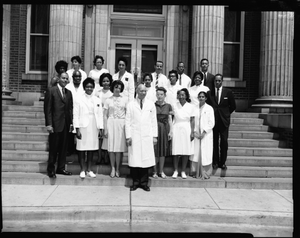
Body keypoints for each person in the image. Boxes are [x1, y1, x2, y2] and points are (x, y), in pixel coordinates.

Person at [125, 83, 158, 192]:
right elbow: (128, 121)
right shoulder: (130, 104)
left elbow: (154, 121)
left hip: (146, 135)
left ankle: (144, 183)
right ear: (137, 91)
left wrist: (154, 136)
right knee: (135, 160)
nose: (143, 93)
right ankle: (135, 182)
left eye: (145, 91)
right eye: (141, 91)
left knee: (145, 160)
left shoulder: (151, 104)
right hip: (134, 135)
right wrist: (128, 136)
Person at [44, 72, 73, 178]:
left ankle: (61, 168)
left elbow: (70, 109)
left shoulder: (69, 93)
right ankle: (51, 169)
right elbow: (48, 109)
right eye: (63, 78)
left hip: (65, 125)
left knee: (63, 148)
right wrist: (49, 124)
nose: (65, 80)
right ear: (59, 79)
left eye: (66, 79)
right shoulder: (51, 91)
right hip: (55, 124)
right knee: (54, 148)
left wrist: (71, 123)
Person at [73, 78, 104, 179]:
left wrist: (101, 128)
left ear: (93, 88)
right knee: (82, 148)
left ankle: (89, 170)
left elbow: (100, 115)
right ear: (84, 87)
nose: (89, 88)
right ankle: (82, 169)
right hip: (83, 125)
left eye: (91, 87)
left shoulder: (97, 100)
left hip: (94, 125)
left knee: (91, 149)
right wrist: (76, 129)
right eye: (87, 86)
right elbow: (76, 114)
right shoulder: (79, 99)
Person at [209, 74, 236, 170]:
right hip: (214, 122)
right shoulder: (210, 93)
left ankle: (223, 162)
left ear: (222, 81)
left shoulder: (228, 92)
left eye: (219, 81)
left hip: (224, 122)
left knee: (224, 142)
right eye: (215, 81)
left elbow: (233, 106)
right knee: (214, 142)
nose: (217, 82)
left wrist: (226, 114)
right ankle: (215, 162)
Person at [103, 80, 127, 178]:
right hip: (111, 123)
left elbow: (127, 114)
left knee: (119, 148)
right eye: (116, 87)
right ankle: (112, 168)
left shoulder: (125, 99)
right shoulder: (108, 100)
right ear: (113, 88)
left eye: (119, 87)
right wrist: (105, 128)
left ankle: (118, 168)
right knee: (111, 148)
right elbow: (105, 115)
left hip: (121, 124)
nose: (118, 89)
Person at [189, 91, 215, 179]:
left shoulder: (209, 108)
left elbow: (211, 123)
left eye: (203, 97)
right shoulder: (194, 108)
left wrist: (203, 133)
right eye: (199, 96)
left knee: (205, 153)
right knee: (196, 153)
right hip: (196, 134)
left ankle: (205, 173)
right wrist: (194, 132)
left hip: (205, 135)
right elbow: (192, 120)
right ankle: (195, 172)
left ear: (206, 98)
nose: (201, 98)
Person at [171, 88, 195, 179]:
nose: (181, 97)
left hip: (186, 128)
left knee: (185, 151)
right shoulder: (174, 105)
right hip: (176, 127)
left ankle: (183, 171)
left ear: (186, 96)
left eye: (183, 95)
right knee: (176, 151)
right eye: (180, 95)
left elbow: (192, 120)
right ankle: (176, 170)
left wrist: (192, 132)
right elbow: (171, 118)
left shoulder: (191, 106)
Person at [153, 87, 173, 179]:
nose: (159, 96)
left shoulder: (168, 106)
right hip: (154, 129)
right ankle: (154, 171)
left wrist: (170, 132)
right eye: (158, 94)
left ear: (165, 95)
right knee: (154, 151)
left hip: (164, 129)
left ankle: (161, 171)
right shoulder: (152, 105)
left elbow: (170, 120)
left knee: (162, 151)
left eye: (161, 94)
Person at [65, 70, 85, 156]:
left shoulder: (84, 87)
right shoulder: (68, 87)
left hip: (81, 112)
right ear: (72, 78)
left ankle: (79, 149)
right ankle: (70, 149)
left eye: (79, 76)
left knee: (79, 130)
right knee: (70, 131)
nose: (78, 78)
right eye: (76, 76)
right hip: (70, 110)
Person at [95, 73, 113, 165]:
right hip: (99, 117)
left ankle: (106, 156)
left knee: (107, 138)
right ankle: (99, 156)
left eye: (107, 81)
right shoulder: (98, 92)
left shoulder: (112, 93)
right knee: (99, 138)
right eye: (104, 81)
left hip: (108, 118)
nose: (106, 83)